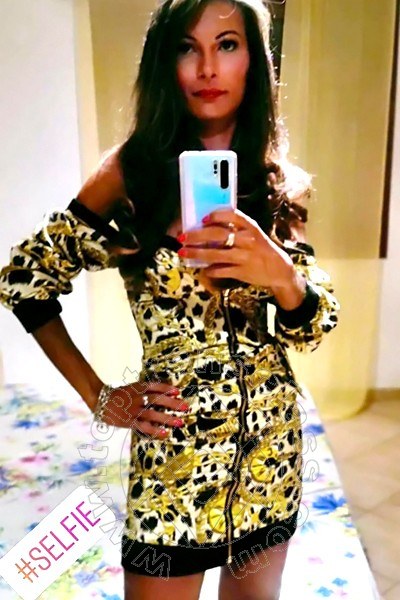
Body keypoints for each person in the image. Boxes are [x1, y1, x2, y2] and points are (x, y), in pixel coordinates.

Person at [0, 0, 340, 598]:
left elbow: (312, 329)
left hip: (269, 454)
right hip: (174, 458)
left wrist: (282, 275)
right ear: (167, 63)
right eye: (188, 47)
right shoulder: (130, 172)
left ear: (253, 63)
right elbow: (25, 278)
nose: (208, 67)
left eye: (227, 45)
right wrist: (100, 396)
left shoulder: (276, 182)